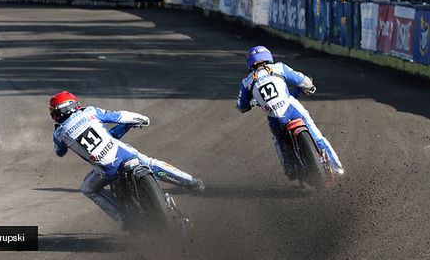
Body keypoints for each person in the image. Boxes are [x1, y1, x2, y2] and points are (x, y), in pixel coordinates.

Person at [50, 91, 204, 223]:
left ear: (58, 114)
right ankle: (191, 182)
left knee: (87, 189)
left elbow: (60, 152)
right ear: (74, 105)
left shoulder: (59, 134)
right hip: (122, 154)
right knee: (151, 163)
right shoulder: (90, 112)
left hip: (106, 171)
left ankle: (123, 218)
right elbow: (119, 116)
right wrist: (141, 119)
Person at [236, 46, 344, 180]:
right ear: (268, 57)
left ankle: (290, 168)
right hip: (292, 110)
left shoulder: (246, 82)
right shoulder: (279, 67)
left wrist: (250, 104)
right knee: (317, 136)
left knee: (278, 140)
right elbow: (303, 80)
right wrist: (309, 87)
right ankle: (337, 167)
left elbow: (241, 106)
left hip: (275, 119)